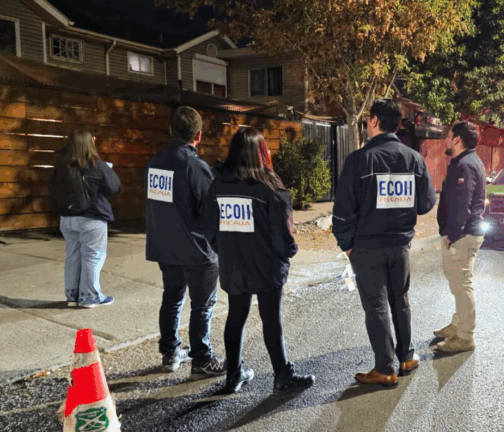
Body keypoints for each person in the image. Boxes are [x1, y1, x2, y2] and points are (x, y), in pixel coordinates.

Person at [202, 128, 315, 394]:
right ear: (260, 152)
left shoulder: (219, 184)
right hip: (265, 264)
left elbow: (208, 225)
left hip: (234, 263)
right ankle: (282, 375)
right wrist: (289, 251)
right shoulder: (268, 186)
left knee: (236, 316)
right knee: (271, 319)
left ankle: (233, 375)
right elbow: (282, 232)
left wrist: (224, 249)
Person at [333, 98, 436, 388]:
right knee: (400, 300)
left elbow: (342, 210)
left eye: (368, 118)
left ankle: (385, 368)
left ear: (376, 121)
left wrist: (347, 245)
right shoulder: (413, 158)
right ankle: (406, 357)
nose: (367, 123)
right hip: (400, 244)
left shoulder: (359, 160)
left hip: (366, 247)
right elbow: (426, 202)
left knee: (376, 306)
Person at [145, 106, 226, 378]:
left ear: (171, 131)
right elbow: (212, 209)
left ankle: (170, 353)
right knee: (201, 306)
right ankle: (202, 360)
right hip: (196, 249)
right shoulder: (195, 166)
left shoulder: (155, 163)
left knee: (172, 300)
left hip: (166, 247)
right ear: (199, 135)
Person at [49, 129, 121, 308]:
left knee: (72, 256)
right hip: (92, 218)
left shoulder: (61, 165)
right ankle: (90, 297)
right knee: (92, 257)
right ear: (91, 142)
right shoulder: (96, 164)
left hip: (67, 218)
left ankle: (72, 296)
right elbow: (114, 187)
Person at [434, 121, 486, 353]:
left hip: (463, 235)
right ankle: (458, 325)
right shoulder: (467, 162)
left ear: (457, 140)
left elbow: (462, 204)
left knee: (462, 284)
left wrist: (452, 233)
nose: (446, 139)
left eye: (448, 135)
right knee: (458, 283)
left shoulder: (465, 165)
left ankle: (465, 336)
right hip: (465, 233)